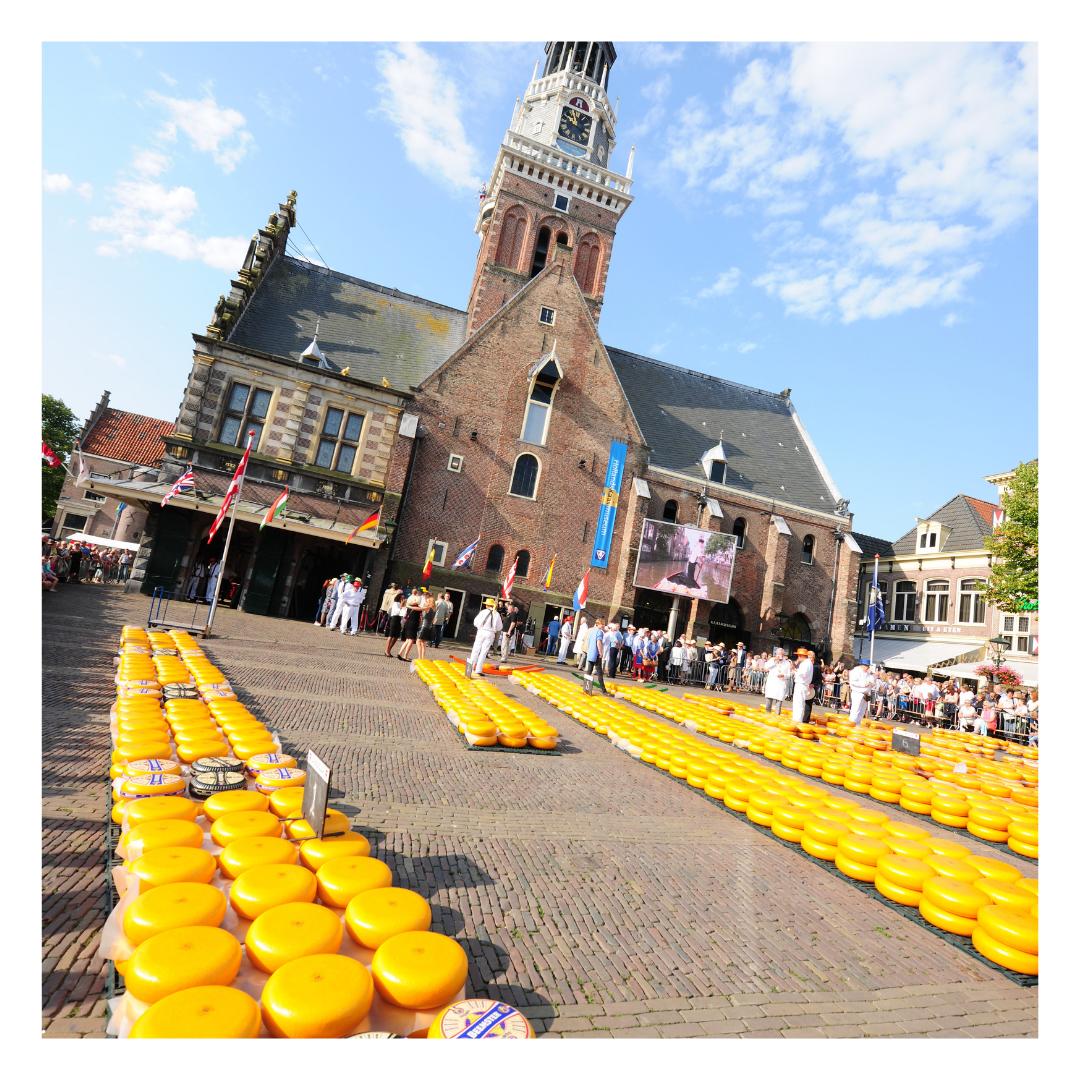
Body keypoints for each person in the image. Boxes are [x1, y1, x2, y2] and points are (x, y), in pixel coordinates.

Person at [468, 599, 503, 677]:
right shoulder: (496, 614)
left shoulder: (483, 612)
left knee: (475, 650)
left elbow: (475, 622)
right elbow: (500, 627)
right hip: (490, 633)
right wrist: (493, 629)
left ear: (487, 605)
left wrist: (480, 627)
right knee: (484, 652)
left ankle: (470, 669)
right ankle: (478, 670)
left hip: (481, 631)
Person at [396, 587, 423, 662]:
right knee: (411, 640)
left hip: (407, 623)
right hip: (413, 624)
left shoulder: (408, 606)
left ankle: (400, 653)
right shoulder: (417, 608)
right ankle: (405, 656)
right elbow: (422, 609)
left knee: (407, 640)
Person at [583, 616, 608, 695]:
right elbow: (599, 642)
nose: (603, 625)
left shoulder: (592, 631)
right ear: (598, 624)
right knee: (600, 673)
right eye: (602, 624)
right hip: (596, 654)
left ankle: (586, 689)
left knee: (589, 672)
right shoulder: (599, 632)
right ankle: (604, 690)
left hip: (590, 653)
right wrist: (601, 653)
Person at [791, 648, 814, 723]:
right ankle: (796, 719)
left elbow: (802, 674)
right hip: (802, 684)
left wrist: (794, 670)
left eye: (798, 656)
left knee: (798, 703)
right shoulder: (808, 663)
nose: (798, 657)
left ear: (801, 656)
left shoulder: (806, 663)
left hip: (801, 684)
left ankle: (797, 720)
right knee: (798, 703)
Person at [848, 662, 873, 726]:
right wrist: (864, 684)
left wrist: (871, 682)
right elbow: (853, 682)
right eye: (866, 666)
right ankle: (851, 724)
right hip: (857, 693)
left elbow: (872, 680)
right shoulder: (855, 671)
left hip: (865, 694)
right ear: (862, 665)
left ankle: (857, 725)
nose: (868, 667)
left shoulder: (868, 673)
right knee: (855, 710)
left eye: (868, 666)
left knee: (862, 712)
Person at [383, 589, 405, 656]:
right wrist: (401, 606)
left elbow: (403, 613)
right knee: (391, 635)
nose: (403, 599)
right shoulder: (396, 603)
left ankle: (389, 649)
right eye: (402, 598)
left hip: (398, 620)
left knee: (396, 636)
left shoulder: (402, 605)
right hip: (394, 619)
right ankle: (386, 650)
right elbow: (397, 612)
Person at [416, 590, 436, 660]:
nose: (426, 602)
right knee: (423, 643)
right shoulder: (434, 609)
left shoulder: (427, 608)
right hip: (429, 627)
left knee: (418, 641)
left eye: (427, 601)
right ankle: (422, 657)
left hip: (424, 626)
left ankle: (419, 657)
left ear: (429, 602)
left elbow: (419, 608)